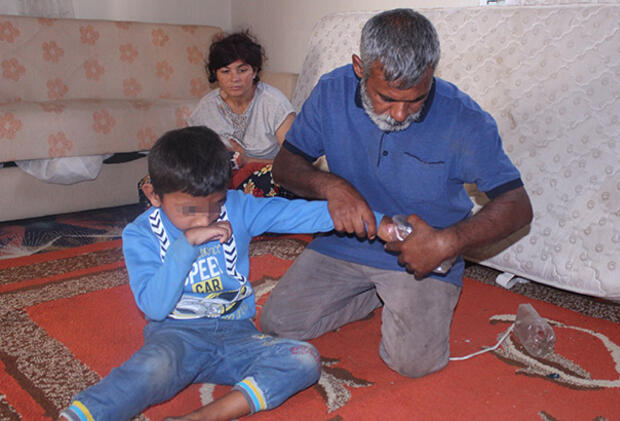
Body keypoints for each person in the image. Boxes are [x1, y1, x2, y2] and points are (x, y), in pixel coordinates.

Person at [260, 8, 533, 378]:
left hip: (422, 255)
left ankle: (393, 293)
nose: (401, 114)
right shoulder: (331, 91)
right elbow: (285, 166)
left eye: (415, 99)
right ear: (360, 68)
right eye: (386, 98)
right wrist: (331, 186)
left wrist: (447, 242)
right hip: (344, 242)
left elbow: (517, 206)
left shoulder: (465, 119)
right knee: (278, 323)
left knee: (412, 363)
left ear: (431, 73)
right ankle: (375, 294)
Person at [59, 126, 387, 421]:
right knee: (150, 369)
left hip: (238, 337)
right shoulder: (140, 235)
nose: (205, 219)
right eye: (189, 210)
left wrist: (378, 220)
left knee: (303, 359)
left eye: (215, 205)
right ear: (154, 196)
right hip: (176, 338)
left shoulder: (238, 207)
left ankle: (207, 416)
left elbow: (298, 215)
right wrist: (185, 245)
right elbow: (155, 308)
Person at [137, 30, 295, 207]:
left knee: (274, 181)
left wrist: (248, 161)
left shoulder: (274, 103)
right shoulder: (207, 107)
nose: (234, 79)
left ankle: (223, 216)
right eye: (225, 71)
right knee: (153, 184)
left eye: (242, 70)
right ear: (215, 74)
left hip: (262, 173)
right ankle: (197, 223)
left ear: (255, 71)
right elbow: (189, 155)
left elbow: (295, 161)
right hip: (219, 178)